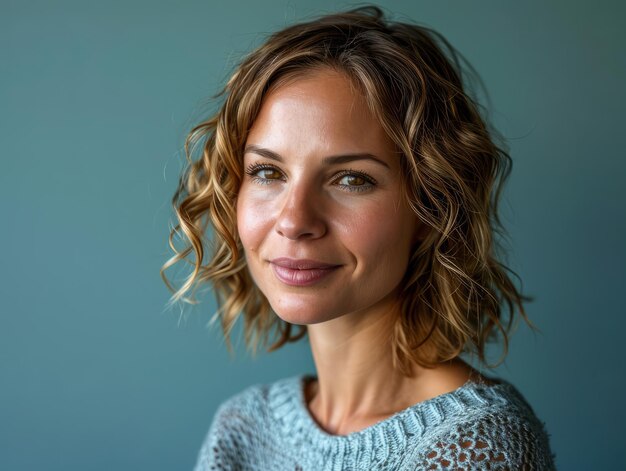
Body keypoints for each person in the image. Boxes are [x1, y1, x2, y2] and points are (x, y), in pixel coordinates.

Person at [162, 6, 556, 470]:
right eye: (268, 172)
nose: (294, 220)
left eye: (351, 180)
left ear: (432, 208)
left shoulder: (475, 449)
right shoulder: (244, 427)